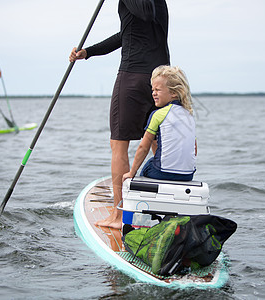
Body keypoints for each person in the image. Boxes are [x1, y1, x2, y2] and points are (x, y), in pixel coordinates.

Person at [69, 0, 170, 229]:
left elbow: (144, 13)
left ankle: (119, 216)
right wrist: (89, 52)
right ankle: (162, 213)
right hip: (163, 77)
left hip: (134, 76)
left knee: (119, 143)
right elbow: (127, 34)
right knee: (157, 141)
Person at [122, 65, 197, 183]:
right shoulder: (189, 115)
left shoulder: (158, 114)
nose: (153, 93)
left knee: (149, 165)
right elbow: (194, 149)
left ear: (173, 93)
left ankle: (142, 195)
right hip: (188, 175)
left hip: (161, 172)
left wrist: (132, 172)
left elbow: (143, 147)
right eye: (153, 90)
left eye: (157, 90)